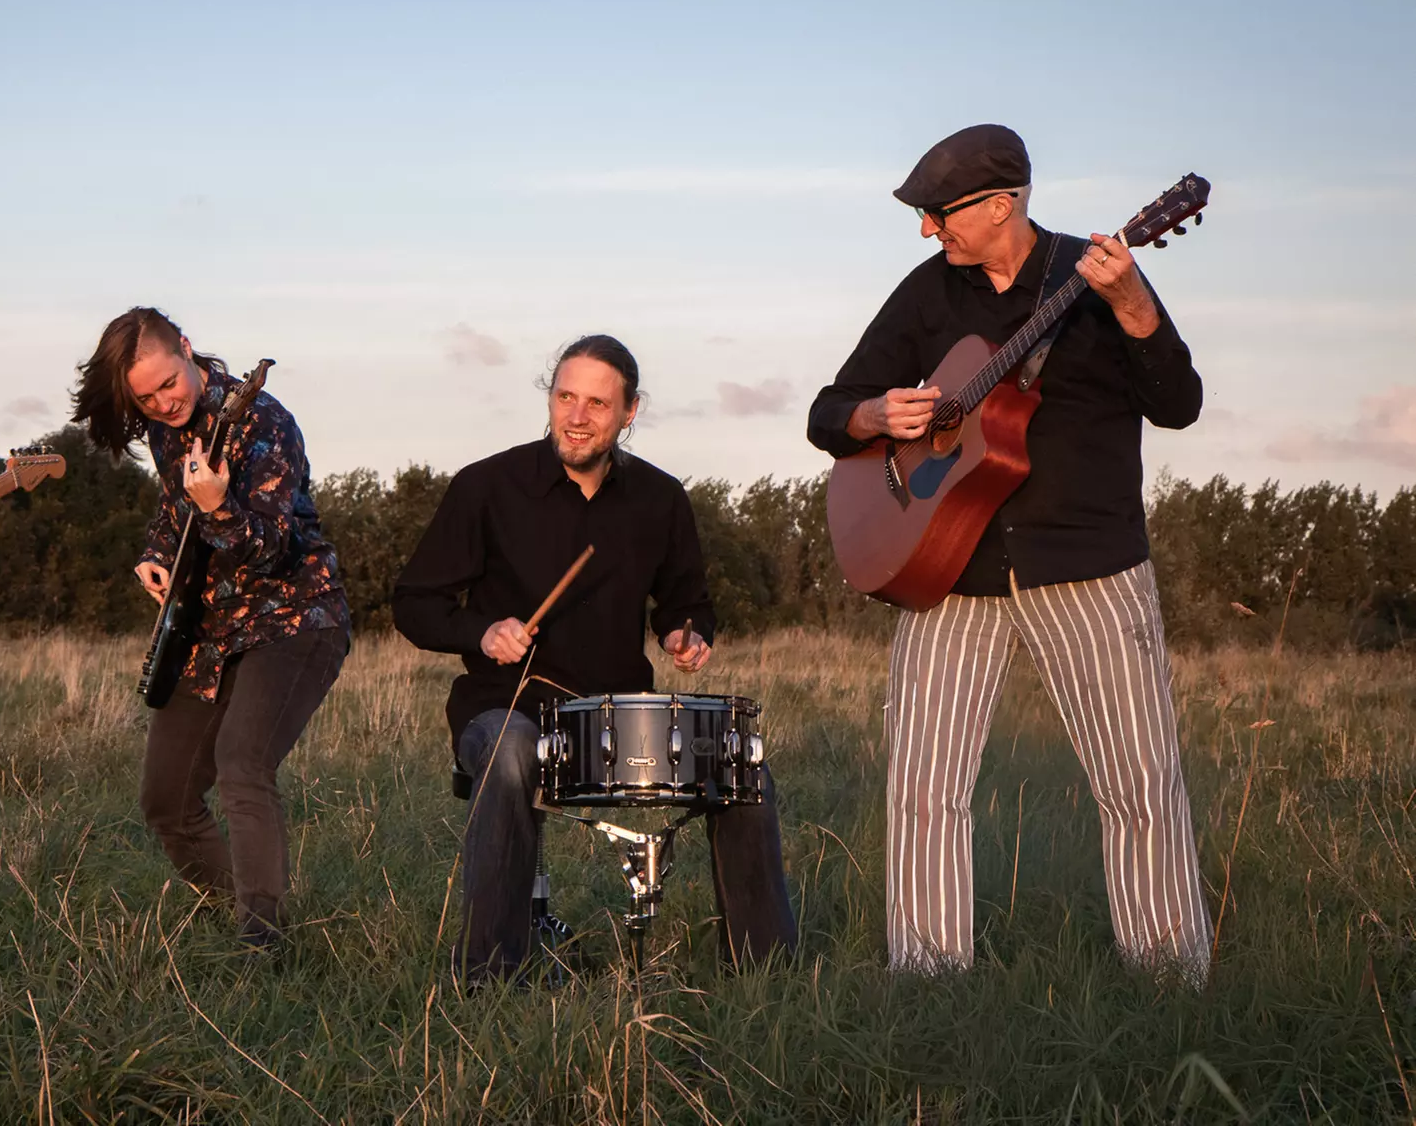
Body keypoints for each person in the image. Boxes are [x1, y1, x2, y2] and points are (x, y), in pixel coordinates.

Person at [807, 124, 1211, 978]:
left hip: (1088, 565)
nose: (926, 230)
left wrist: (1135, 305)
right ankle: (927, 978)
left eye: (936, 214)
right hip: (949, 572)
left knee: (1139, 788)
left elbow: (1177, 406)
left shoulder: (1097, 277)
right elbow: (826, 410)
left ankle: (1170, 980)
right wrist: (879, 415)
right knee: (922, 791)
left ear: (1002, 205)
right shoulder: (927, 293)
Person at [394, 334, 798, 982]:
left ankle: (766, 973)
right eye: (564, 397)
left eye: (596, 404)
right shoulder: (487, 487)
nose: (575, 416)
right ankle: (491, 977)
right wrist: (481, 631)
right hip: (506, 706)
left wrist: (683, 635)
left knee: (740, 761)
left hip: (615, 723)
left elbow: (684, 602)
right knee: (511, 752)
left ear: (628, 411)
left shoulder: (659, 499)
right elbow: (413, 604)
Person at [71, 308, 349, 953]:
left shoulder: (262, 420)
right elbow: (174, 513)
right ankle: (238, 913)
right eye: (144, 397)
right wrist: (155, 556)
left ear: (188, 350)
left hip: (293, 617)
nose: (163, 403)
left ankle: (263, 941)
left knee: (242, 767)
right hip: (208, 630)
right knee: (166, 801)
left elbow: (272, 548)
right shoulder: (162, 430)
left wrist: (219, 508)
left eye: (169, 384)